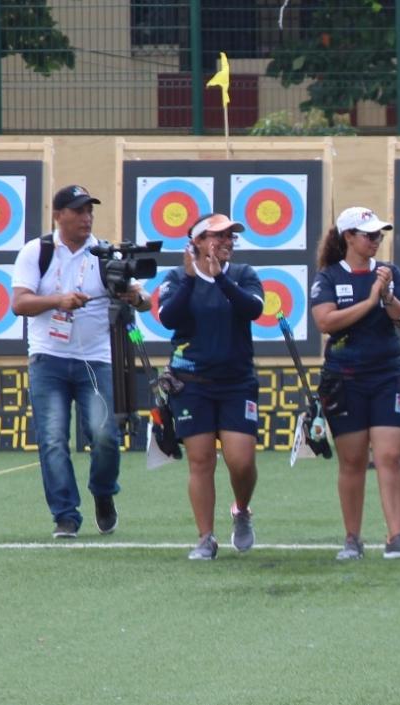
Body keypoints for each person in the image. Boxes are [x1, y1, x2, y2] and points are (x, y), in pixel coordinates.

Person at [11, 185, 150, 539]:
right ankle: (65, 515)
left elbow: (143, 301)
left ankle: (103, 493)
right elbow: (19, 304)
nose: (86, 217)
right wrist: (59, 300)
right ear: (59, 216)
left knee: (105, 434)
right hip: (49, 359)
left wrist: (136, 295)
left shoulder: (104, 254)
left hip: (97, 359)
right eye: (78, 210)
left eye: (90, 210)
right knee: (53, 439)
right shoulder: (36, 252)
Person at [310, 206, 400, 560]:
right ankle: (352, 538)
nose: (377, 240)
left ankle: (396, 536)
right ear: (348, 237)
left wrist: (387, 297)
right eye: (370, 235)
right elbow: (326, 322)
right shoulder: (328, 277)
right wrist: (371, 300)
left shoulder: (390, 273)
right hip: (345, 378)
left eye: (380, 235)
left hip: (388, 374)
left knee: (391, 455)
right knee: (353, 460)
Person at [156, 213, 266, 560]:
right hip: (191, 383)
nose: (226, 242)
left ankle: (242, 510)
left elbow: (253, 309)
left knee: (241, 461)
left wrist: (221, 280)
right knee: (200, 460)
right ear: (197, 243)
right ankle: (205, 537)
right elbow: (168, 317)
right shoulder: (177, 277)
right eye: (217, 236)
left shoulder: (243, 274)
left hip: (236, 383)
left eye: (230, 237)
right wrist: (192, 278)